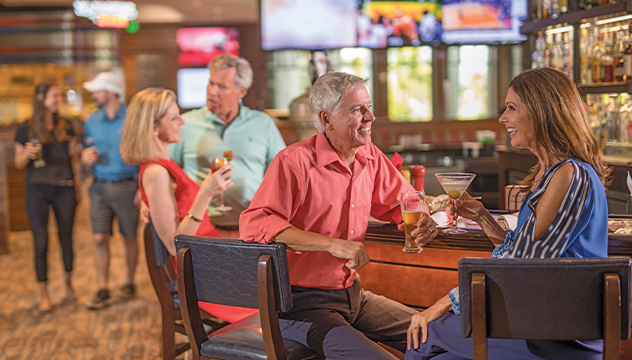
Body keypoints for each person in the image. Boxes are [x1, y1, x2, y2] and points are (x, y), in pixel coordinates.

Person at [405, 68, 610, 360]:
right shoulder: (551, 173)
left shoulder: (569, 174)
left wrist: (437, 307)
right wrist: (483, 218)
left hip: (558, 336)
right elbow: (529, 252)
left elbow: (519, 268)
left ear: (541, 112)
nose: (503, 118)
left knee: (421, 340)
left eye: (511, 108)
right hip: (538, 321)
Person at [239, 71, 439, 359]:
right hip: (300, 307)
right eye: (357, 109)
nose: (369, 116)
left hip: (352, 297)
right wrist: (332, 244)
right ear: (326, 119)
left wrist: (422, 220)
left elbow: (404, 201)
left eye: (368, 107)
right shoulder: (293, 162)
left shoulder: (369, 156)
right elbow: (255, 223)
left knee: (438, 335)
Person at [120, 87, 258, 324]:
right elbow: (176, 245)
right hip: (201, 273)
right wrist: (205, 194)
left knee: (285, 281)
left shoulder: (164, 164)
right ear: (153, 127)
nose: (182, 121)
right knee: (278, 294)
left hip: (212, 259)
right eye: (174, 117)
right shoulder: (155, 172)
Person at [166, 53, 286, 238]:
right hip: (201, 229)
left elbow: (283, 173)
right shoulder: (185, 124)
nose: (212, 91)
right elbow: (165, 169)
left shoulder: (263, 123)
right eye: (211, 83)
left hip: (251, 230)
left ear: (241, 91)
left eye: (222, 86)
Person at [14, 82, 79, 313]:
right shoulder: (26, 127)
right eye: (54, 95)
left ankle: (69, 286)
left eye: (59, 95)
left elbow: (73, 157)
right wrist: (27, 155)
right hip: (37, 188)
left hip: (65, 187)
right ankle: (44, 294)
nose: (58, 99)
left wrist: (78, 185)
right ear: (41, 98)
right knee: (40, 242)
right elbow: (18, 163)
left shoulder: (66, 125)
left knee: (66, 239)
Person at [80, 72, 141, 310]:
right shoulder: (91, 121)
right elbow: (86, 150)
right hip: (99, 186)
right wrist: (85, 157)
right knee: (99, 237)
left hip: (128, 185)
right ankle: (102, 287)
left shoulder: (132, 119)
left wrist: (141, 187)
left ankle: (129, 282)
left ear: (110, 92)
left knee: (130, 236)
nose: (94, 94)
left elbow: (144, 153)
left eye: (97, 90)